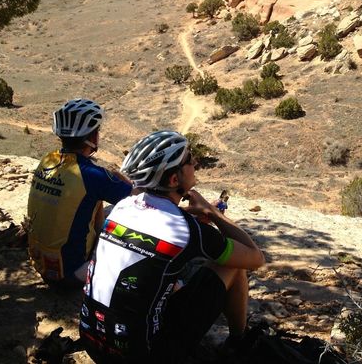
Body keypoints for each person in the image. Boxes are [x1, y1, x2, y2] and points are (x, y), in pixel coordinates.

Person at [80, 131, 265, 364]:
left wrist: (192, 219)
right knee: (232, 266)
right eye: (189, 159)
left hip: (92, 342)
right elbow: (255, 258)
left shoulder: (122, 207)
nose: (195, 162)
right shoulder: (186, 230)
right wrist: (211, 212)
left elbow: (157, 223)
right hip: (145, 356)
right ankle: (239, 342)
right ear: (174, 180)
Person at [27, 98, 132, 287]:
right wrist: (121, 177)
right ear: (92, 138)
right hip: (71, 276)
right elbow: (137, 199)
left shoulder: (47, 160)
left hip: (40, 264)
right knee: (129, 222)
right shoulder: (92, 175)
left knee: (91, 202)